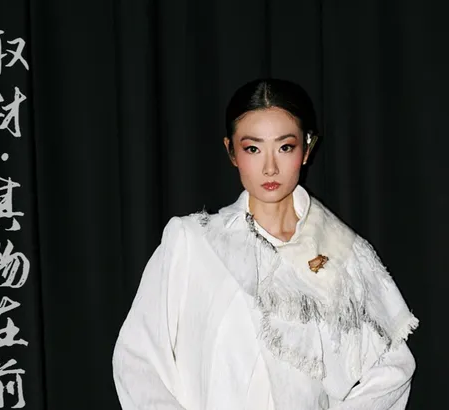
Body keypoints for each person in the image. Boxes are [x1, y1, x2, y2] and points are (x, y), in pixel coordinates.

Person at [112, 78, 419, 410]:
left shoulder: (342, 251)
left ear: (307, 148)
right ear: (231, 151)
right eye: (253, 149)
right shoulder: (193, 244)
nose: (270, 167)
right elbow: (137, 360)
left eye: (285, 147)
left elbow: (394, 367)